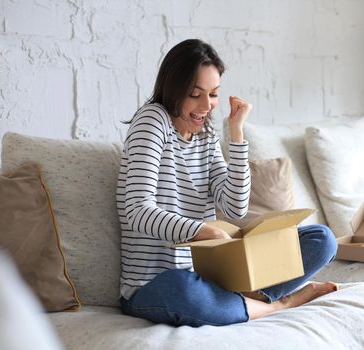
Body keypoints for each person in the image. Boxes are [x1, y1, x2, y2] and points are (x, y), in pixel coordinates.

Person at [117, 39, 338, 327]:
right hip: (154, 284)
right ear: (174, 89)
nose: (206, 106)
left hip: (214, 277)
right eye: (195, 94)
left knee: (321, 239)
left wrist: (236, 134)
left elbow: (234, 208)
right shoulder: (152, 121)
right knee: (184, 290)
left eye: (213, 95)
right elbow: (137, 210)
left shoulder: (205, 135)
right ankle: (280, 304)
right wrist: (203, 231)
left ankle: (245, 300)